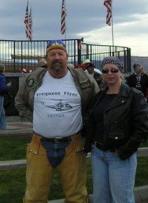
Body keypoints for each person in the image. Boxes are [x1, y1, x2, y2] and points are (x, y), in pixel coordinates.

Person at [15, 40, 99, 203]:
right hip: (39, 146)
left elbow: (96, 101)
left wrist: (83, 120)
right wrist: (36, 117)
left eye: (60, 54)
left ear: (67, 57)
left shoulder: (83, 79)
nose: (57, 57)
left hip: (73, 146)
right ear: (47, 59)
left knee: (76, 196)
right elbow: (19, 101)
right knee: (34, 197)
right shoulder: (34, 79)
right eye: (52, 54)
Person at [84, 56, 148, 203]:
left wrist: (124, 150)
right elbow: (93, 122)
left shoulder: (134, 96)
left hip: (119, 156)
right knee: (101, 199)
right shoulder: (99, 96)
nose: (109, 73)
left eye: (114, 70)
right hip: (98, 153)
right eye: (106, 70)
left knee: (122, 199)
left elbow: (143, 129)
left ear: (121, 72)